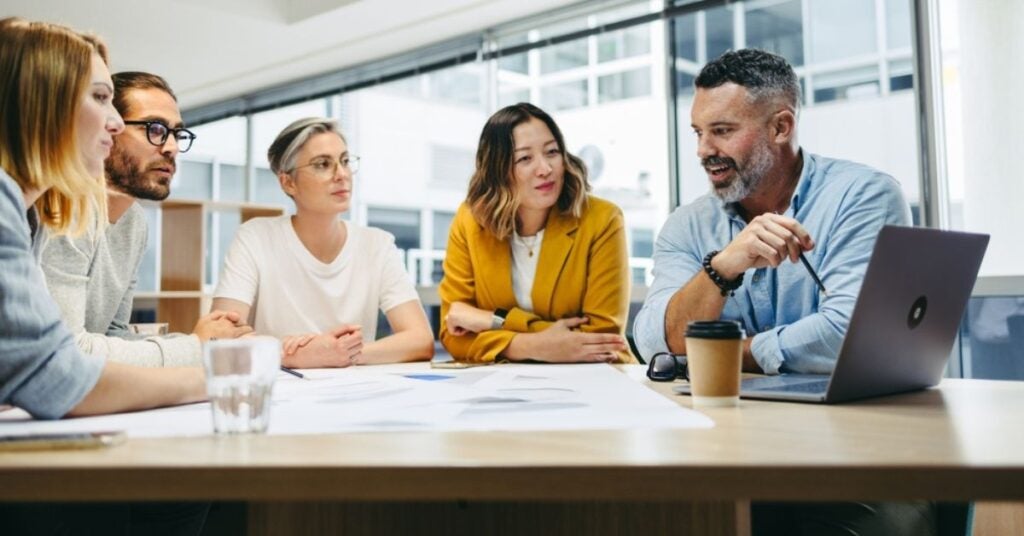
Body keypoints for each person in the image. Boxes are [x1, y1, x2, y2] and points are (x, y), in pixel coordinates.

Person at [632, 49, 932, 535]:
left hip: (851, 454)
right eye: (698, 132)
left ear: (781, 126)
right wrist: (725, 267)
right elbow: (657, 342)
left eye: (723, 130)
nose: (704, 149)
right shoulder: (687, 226)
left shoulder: (862, 196)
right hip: (723, 452)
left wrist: (725, 354)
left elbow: (850, 335)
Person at [40, 71, 251, 367]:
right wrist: (196, 346)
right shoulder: (65, 207)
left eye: (177, 133)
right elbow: (66, 351)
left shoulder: (134, 222)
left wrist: (208, 342)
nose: (171, 147)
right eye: (155, 129)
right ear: (108, 128)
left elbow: (111, 335)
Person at [211, 117, 434, 367]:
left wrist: (341, 353)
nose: (341, 175)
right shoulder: (256, 237)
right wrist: (298, 355)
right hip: (280, 393)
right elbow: (219, 337)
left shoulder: (377, 245)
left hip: (354, 395)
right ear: (288, 182)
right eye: (322, 164)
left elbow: (420, 340)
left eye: (345, 161)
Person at [439, 103, 633, 363]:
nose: (545, 168)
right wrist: (531, 345)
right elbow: (453, 333)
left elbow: (600, 339)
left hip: (596, 378)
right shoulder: (470, 220)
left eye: (552, 152)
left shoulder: (602, 220)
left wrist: (493, 321)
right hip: (506, 385)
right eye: (525, 158)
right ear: (497, 171)